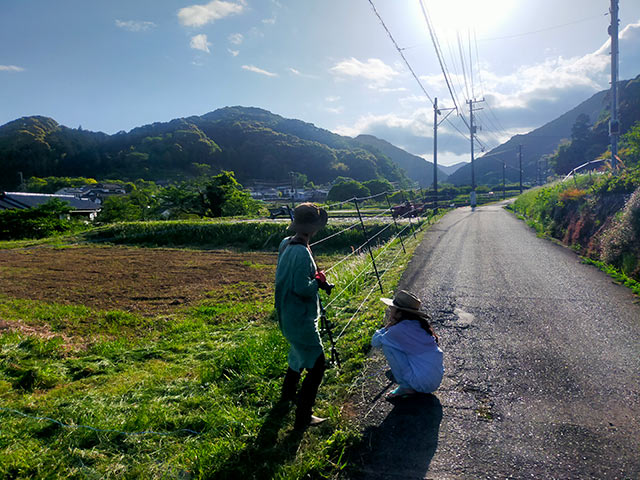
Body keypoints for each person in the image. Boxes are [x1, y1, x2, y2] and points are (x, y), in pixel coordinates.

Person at [274, 202, 333, 429]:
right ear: (315, 228)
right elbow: (302, 288)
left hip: (287, 314)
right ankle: (304, 416)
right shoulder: (300, 251)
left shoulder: (285, 244)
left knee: (297, 354)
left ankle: (287, 396)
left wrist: (315, 278)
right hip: (300, 318)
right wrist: (318, 281)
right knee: (318, 365)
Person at [372, 290, 444, 400]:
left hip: (423, 384)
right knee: (397, 346)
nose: (389, 311)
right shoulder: (419, 324)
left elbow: (375, 342)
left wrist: (388, 325)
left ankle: (406, 387)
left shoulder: (398, 330)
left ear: (399, 313)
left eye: (392, 309)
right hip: (434, 380)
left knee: (388, 346)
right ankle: (410, 379)